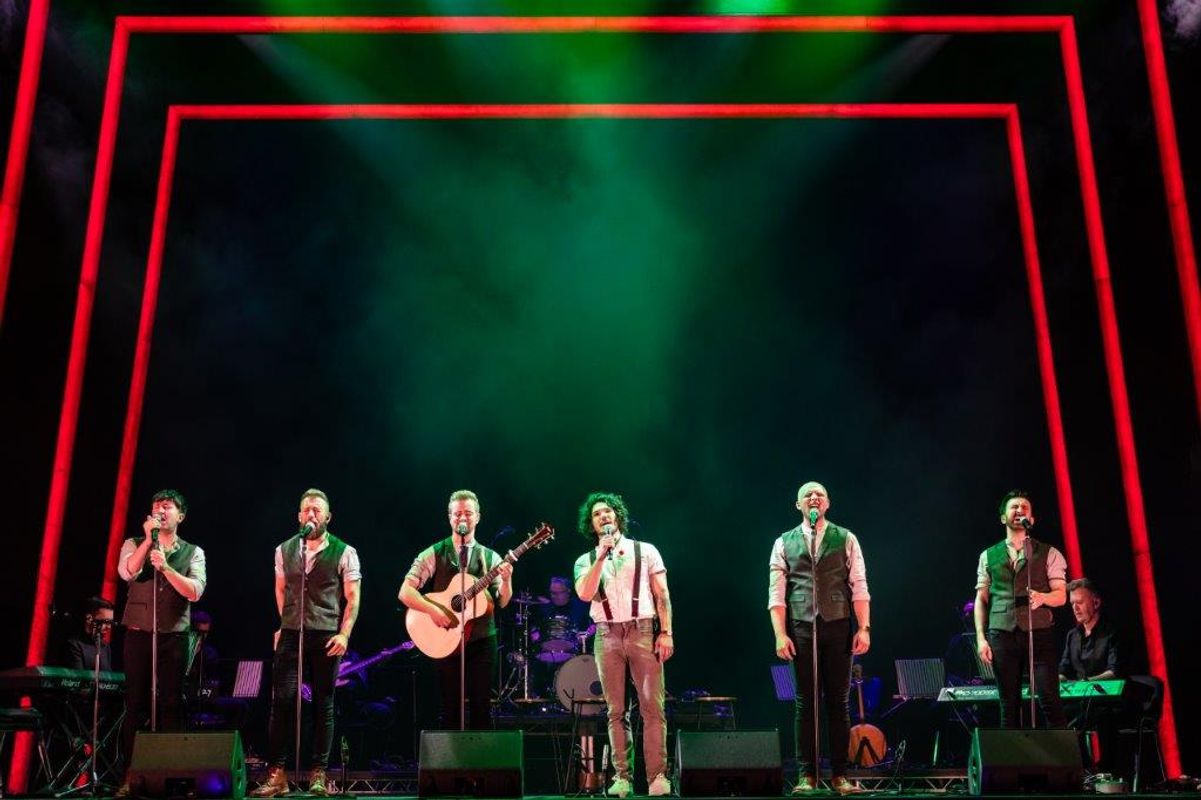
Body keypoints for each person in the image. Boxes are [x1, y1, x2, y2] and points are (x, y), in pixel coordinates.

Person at [253, 489, 362, 798]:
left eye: (317, 510)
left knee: (323, 703)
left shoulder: (345, 551)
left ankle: (318, 773)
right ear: (299, 516)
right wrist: (286, 621)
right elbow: (281, 588)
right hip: (291, 633)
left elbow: (353, 597)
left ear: (327, 516)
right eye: (306, 510)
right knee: (282, 701)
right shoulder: (284, 549)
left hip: (326, 634)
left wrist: (344, 633)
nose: (311, 514)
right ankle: (277, 774)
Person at [768, 481, 871, 795]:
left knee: (838, 702)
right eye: (807, 495)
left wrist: (864, 627)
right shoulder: (783, 541)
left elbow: (859, 584)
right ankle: (807, 775)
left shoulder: (846, 537)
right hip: (801, 627)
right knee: (805, 703)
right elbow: (776, 594)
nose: (814, 497)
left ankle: (840, 775)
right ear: (798, 505)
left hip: (838, 624)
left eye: (820, 494)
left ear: (827, 503)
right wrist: (780, 635)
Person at [573, 491, 673, 798]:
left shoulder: (646, 550)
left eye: (608, 511)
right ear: (591, 524)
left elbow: (662, 594)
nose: (603, 516)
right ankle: (622, 777)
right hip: (606, 635)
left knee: (652, 707)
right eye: (596, 514)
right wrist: (601, 555)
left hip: (642, 630)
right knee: (616, 711)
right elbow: (584, 593)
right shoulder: (585, 560)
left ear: (617, 515)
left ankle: (657, 776)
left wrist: (666, 632)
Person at [116, 489, 206, 795]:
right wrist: (147, 541)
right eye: (156, 506)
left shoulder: (193, 551)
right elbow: (127, 572)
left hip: (174, 636)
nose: (160, 511)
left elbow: (195, 591)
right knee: (135, 703)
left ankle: (171, 775)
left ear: (181, 516)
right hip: (138, 634)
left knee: (171, 703)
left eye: (167, 507)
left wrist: (166, 567)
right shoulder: (133, 543)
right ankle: (131, 775)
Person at [399, 489, 513, 730]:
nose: (462, 518)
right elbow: (405, 592)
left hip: (482, 640)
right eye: (457, 513)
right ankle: (450, 754)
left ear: (478, 517)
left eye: (468, 513)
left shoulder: (490, 557)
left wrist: (507, 580)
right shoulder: (434, 553)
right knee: (450, 706)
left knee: (482, 706)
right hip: (446, 639)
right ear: (449, 517)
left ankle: (480, 754)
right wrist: (433, 610)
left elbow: (502, 601)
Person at [974, 489, 1067, 729]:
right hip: (1002, 633)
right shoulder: (988, 556)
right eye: (1014, 507)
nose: (1019, 510)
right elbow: (981, 599)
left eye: (1025, 507)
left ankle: (1061, 752)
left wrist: (1043, 597)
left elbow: (1061, 596)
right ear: (1003, 517)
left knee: (1049, 697)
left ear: (1031, 520)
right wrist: (981, 638)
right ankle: (1012, 753)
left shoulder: (1049, 553)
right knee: (1008, 704)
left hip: (1039, 633)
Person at [1059, 578, 1120, 681]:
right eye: (1072, 603)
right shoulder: (1072, 635)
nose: (1075, 608)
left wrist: (1086, 683)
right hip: (1080, 689)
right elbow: (1064, 669)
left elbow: (1114, 671)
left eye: (1079, 602)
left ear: (1096, 603)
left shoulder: (1113, 632)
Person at [531, 576, 595, 661]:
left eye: (557, 593)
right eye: (552, 593)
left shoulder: (580, 606)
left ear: (568, 591)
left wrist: (587, 634)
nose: (553, 596)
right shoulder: (545, 608)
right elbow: (534, 627)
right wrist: (534, 633)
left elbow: (596, 625)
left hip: (575, 654)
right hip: (547, 653)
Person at [64, 596, 115, 672]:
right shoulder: (74, 645)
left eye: (110, 622)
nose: (109, 627)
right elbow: (78, 676)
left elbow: (108, 676)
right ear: (89, 619)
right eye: (105, 622)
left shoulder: (105, 646)